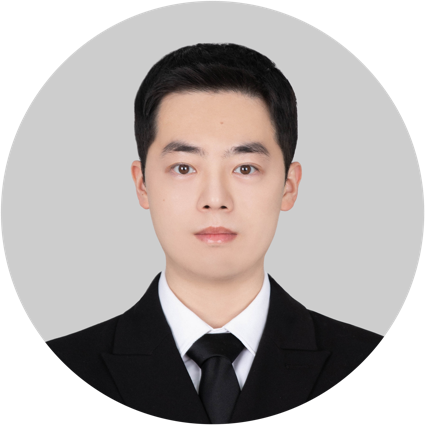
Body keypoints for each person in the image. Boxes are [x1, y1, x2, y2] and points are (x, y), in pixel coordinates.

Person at [46, 43, 383, 424]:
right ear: (143, 185)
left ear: (288, 186)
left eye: (245, 168)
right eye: (184, 168)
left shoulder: (362, 357)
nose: (215, 199)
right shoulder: (68, 363)